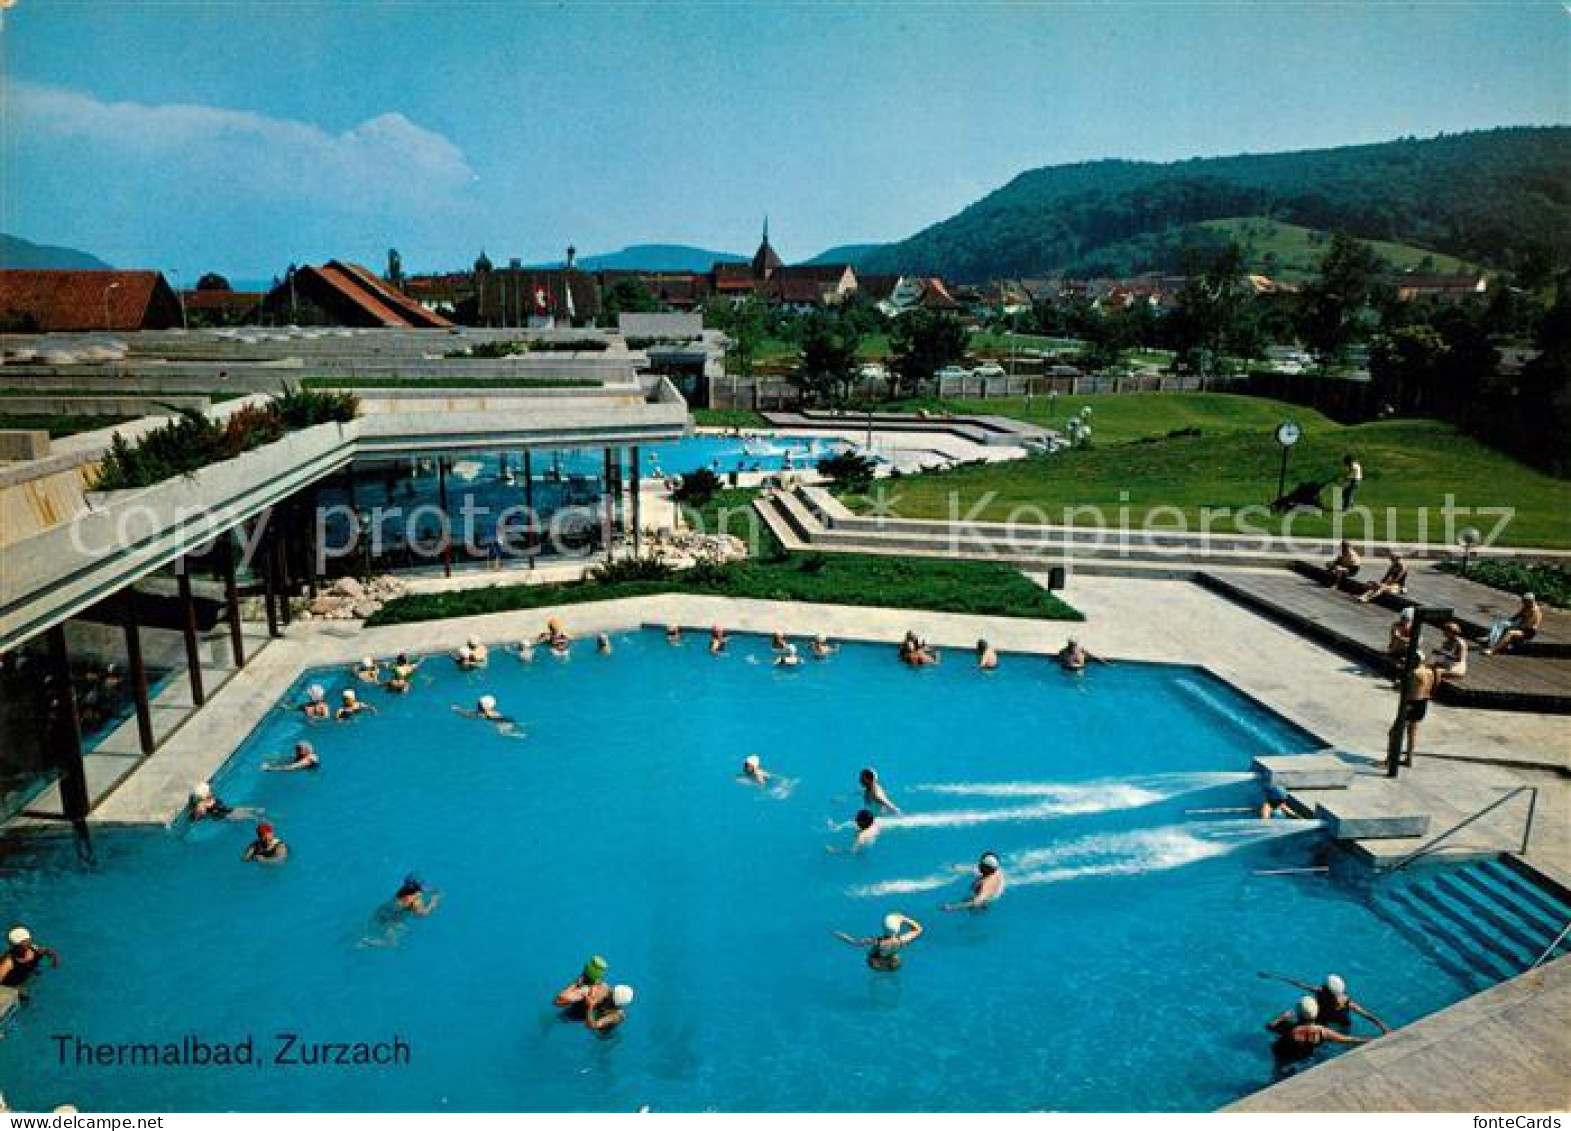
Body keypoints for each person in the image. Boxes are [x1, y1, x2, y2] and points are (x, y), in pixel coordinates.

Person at [1267, 996, 1369, 1073]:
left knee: (1279, 1066)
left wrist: (1283, 1016)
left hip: (1283, 1054)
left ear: (1298, 1013)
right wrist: (1368, 1040)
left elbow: (1269, 1026)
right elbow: (1348, 1039)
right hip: (1303, 1056)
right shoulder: (1323, 1032)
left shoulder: (1289, 1027)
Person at [1265, 973, 1390, 1035]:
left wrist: (1383, 1026)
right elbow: (1299, 983)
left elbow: (1368, 1015)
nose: (1322, 987)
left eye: (1324, 986)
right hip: (1329, 1022)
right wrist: (1275, 977)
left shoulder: (1345, 1001)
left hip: (1334, 1022)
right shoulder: (1324, 993)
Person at [836, 913, 924, 971]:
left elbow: (855, 942)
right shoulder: (901, 940)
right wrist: (904, 919)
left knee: (872, 958)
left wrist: (843, 936)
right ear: (898, 929)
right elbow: (918, 929)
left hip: (875, 964)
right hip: (892, 964)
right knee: (897, 959)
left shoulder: (875, 941)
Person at [1401, 662, 1437, 765]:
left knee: (1396, 731)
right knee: (1412, 731)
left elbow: (1404, 688)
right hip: (1423, 701)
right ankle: (1409, 758)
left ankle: (1390, 757)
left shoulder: (1414, 673)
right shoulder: (1430, 671)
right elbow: (1434, 684)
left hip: (1412, 702)